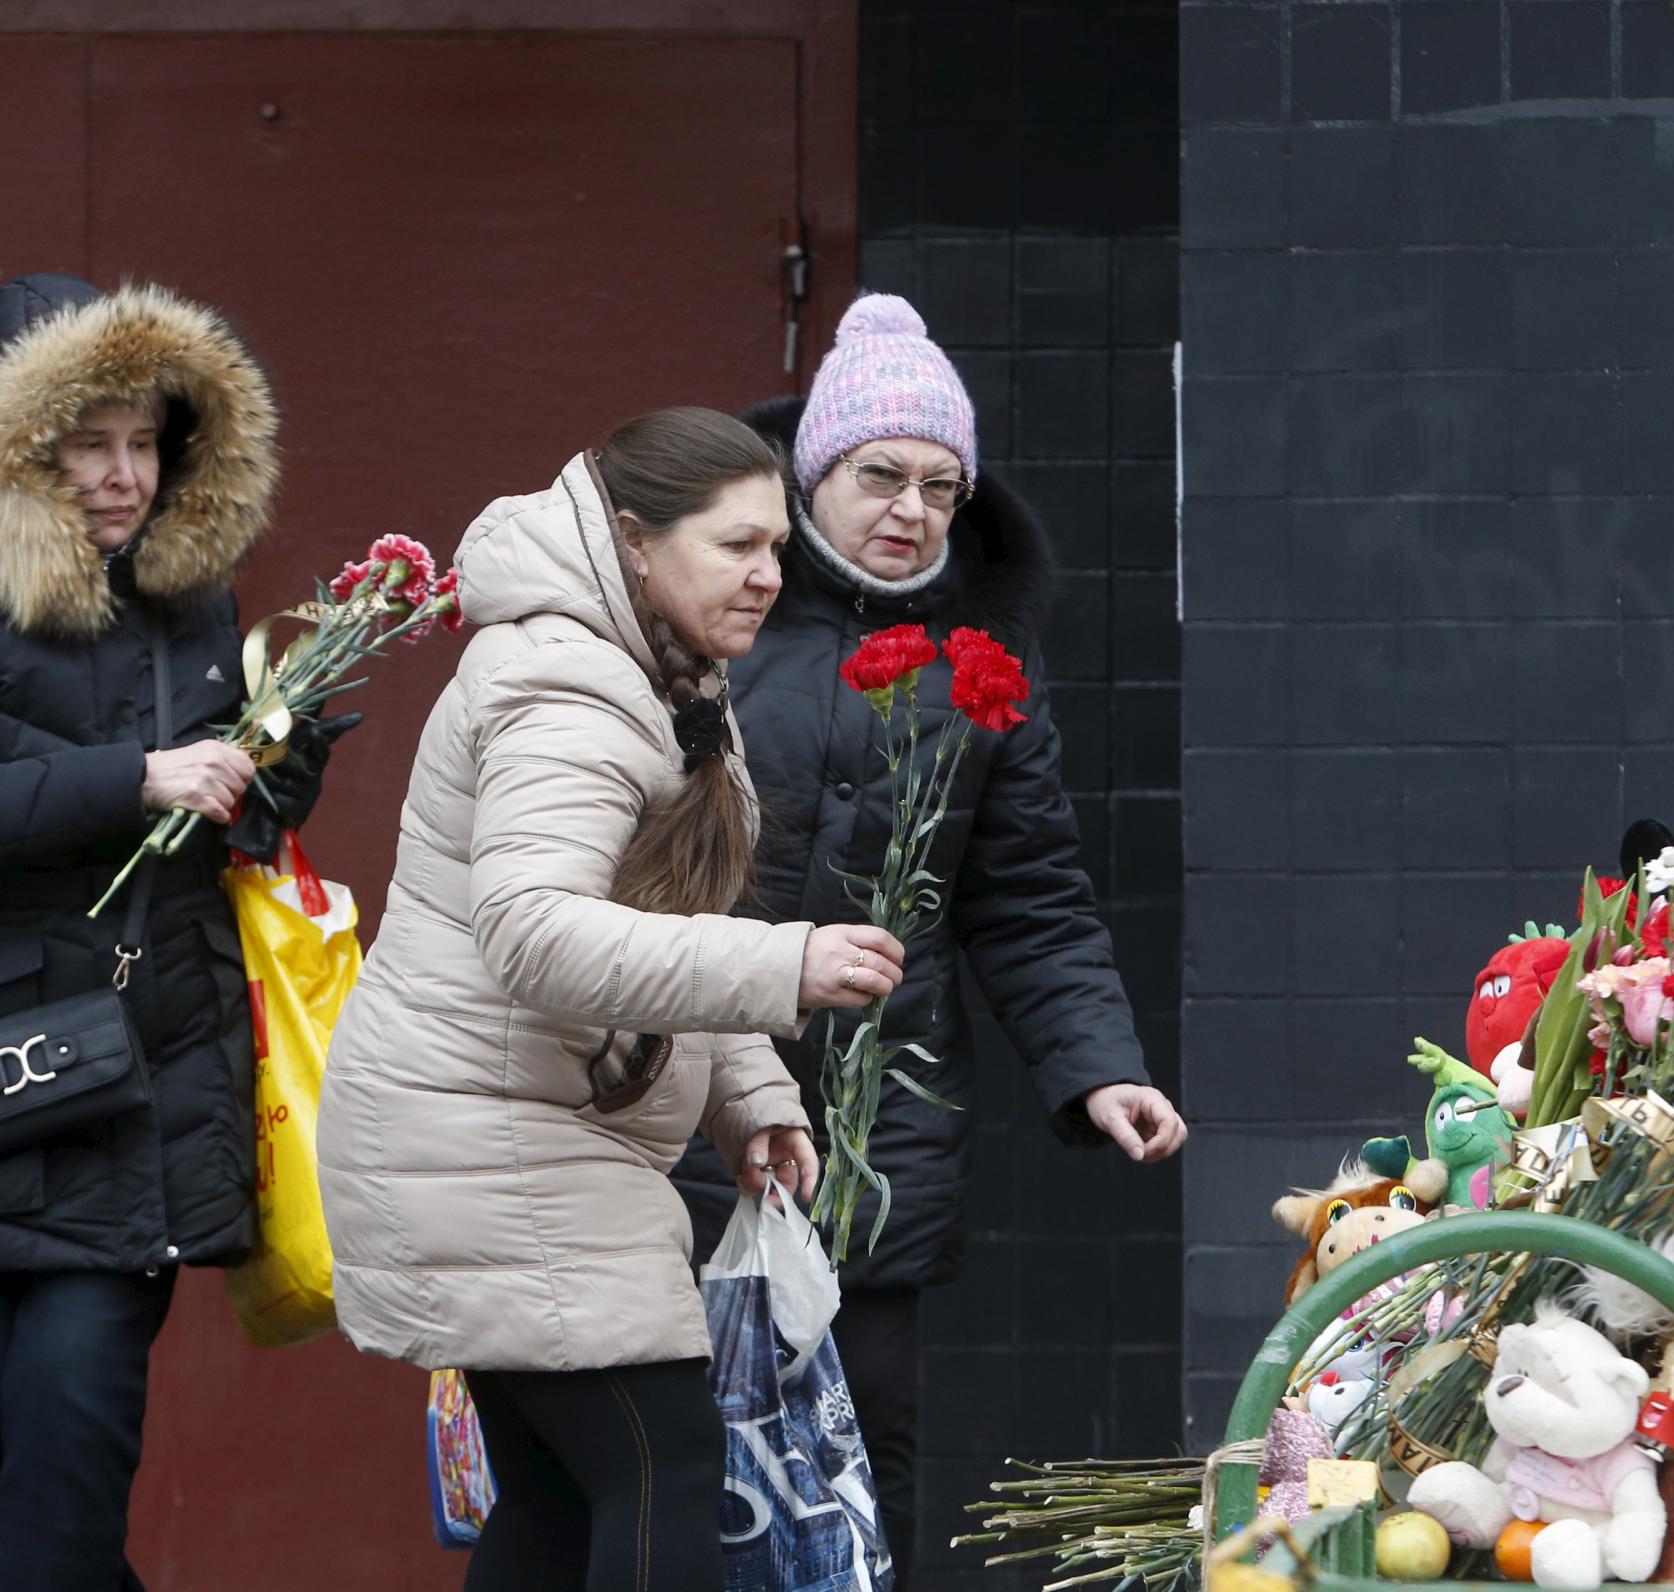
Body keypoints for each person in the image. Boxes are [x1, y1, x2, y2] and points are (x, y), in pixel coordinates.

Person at [318, 407, 905, 1592]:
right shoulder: (572, 687)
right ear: (635, 542)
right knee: (664, 1465)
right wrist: (785, 966)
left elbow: (665, 909)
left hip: (508, 1127)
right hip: (495, 1138)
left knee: (555, 1492)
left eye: (776, 549)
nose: (765, 575)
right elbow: (535, 934)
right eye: (734, 545)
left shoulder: (656, 664)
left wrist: (747, 1090)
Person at [671, 294, 1190, 1585]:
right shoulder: (712, 631)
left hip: (876, 1130)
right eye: (880, 475)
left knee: (868, 1437)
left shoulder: (984, 667)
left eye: (941, 488)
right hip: (685, 1105)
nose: (910, 508)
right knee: (683, 1443)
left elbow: (1028, 898)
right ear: (810, 478)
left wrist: (1099, 1067)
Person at [0, 275, 342, 1591]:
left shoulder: (196, 608)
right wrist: (137, 776)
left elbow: (225, 834)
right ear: (21, 443)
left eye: (145, 444)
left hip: (140, 1083)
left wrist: (290, 747)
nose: (124, 477)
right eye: (89, 443)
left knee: (67, 1442)